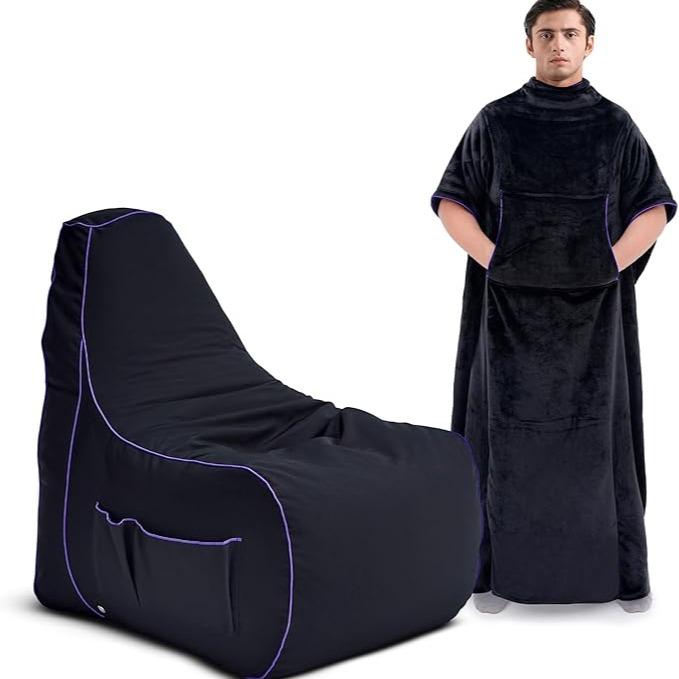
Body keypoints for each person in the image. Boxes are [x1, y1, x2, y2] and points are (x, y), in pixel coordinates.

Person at [431, 0, 676, 614]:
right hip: (506, 317)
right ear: (529, 44)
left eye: (570, 34)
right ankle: (494, 575)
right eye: (547, 35)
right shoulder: (496, 121)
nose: (559, 44)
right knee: (502, 436)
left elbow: (653, 206)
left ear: (590, 43)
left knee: (600, 440)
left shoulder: (614, 125)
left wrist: (607, 265)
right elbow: (453, 200)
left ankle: (618, 576)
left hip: (594, 320)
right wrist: (498, 261)